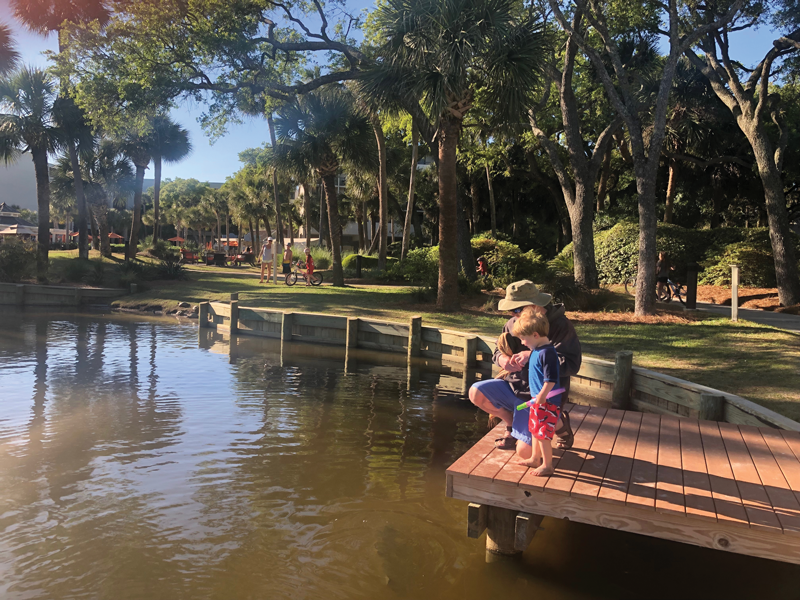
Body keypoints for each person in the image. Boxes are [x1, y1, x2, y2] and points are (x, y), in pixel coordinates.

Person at [468, 280, 581, 452]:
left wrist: (534, 356)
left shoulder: (561, 326)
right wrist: (503, 360)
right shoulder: (512, 323)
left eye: (517, 310)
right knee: (476, 392)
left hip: (542, 396)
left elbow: (572, 365)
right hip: (513, 387)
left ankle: (559, 424)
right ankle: (512, 425)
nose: (513, 314)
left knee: (524, 452)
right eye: (511, 310)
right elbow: (496, 352)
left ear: (535, 305)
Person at [512, 311, 563, 475]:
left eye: (523, 338)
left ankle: (548, 465)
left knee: (543, 434)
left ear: (535, 334)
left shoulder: (547, 353)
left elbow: (551, 379)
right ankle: (535, 458)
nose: (522, 342)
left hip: (546, 401)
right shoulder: (536, 349)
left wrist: (541, 396)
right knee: (535, 430)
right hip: (537, 400)